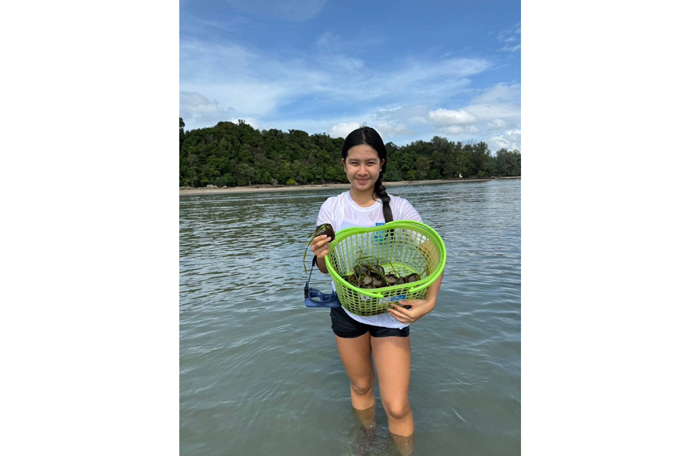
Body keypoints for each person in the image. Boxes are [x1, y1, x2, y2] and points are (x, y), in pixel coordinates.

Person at [309, 126, 443, 455]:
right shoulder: (332, 207)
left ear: (382, 164)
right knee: (361, 385)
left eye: (370, 162)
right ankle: (367, 438)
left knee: (396, 405)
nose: (362, 170)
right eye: (354, 162)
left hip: (391, 311)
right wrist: (320, 254)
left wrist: (429, 302)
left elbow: (433, 252)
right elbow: (326, 269)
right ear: (344, 164)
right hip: (347, 309)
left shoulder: (399, 208)